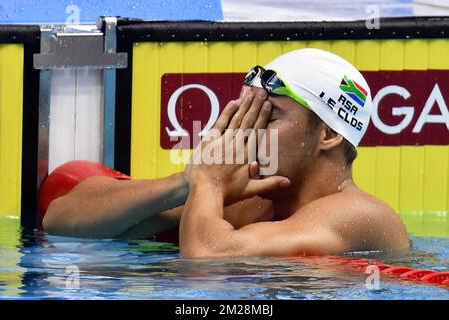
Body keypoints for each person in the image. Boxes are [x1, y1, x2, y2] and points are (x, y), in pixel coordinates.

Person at [41, 48, 410, 257]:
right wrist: (184, 184)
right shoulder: (255, 201)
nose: (244, 132)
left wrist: (209, 186)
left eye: (269, 116)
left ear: (328, 134)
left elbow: (206, 262)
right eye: (244, 113)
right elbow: (61, 220)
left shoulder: (361, 216)